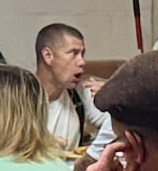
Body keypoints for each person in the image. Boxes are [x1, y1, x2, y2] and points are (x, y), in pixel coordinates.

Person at [36, 21, 108, 153]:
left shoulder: (79, 93)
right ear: (48, 56)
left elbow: (121, 124)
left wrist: (114, 98)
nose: (82, 62)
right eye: (74, 54)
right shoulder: (20, 100)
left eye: (82, 54)